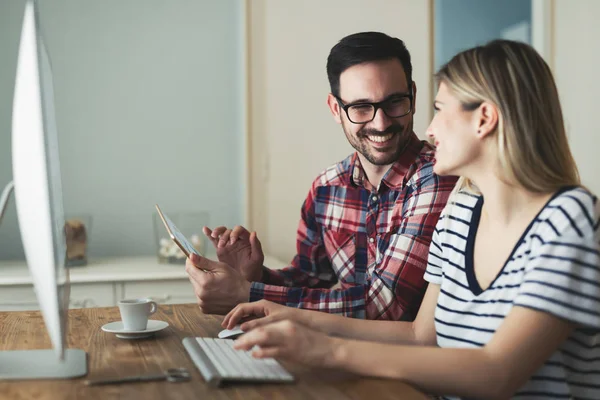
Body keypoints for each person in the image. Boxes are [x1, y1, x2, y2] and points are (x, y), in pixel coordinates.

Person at [220, 40, 600, 399]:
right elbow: (421, 336)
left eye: (439, 108)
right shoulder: (461, 212)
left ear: (484, 118)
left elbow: (497, 372)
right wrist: (287, 314)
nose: (430, 130)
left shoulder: (570, 218)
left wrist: (326, 349)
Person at [185, 32, 457, 319]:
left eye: (394, 103)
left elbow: (386, 306)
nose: (381, 123)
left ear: (413, 97)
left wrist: (247, 294)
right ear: (335, 109)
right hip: (330, 352)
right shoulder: (327, 187)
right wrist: (254, 276)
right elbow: (308, 279)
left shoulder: (438, 178)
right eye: (361, 107)